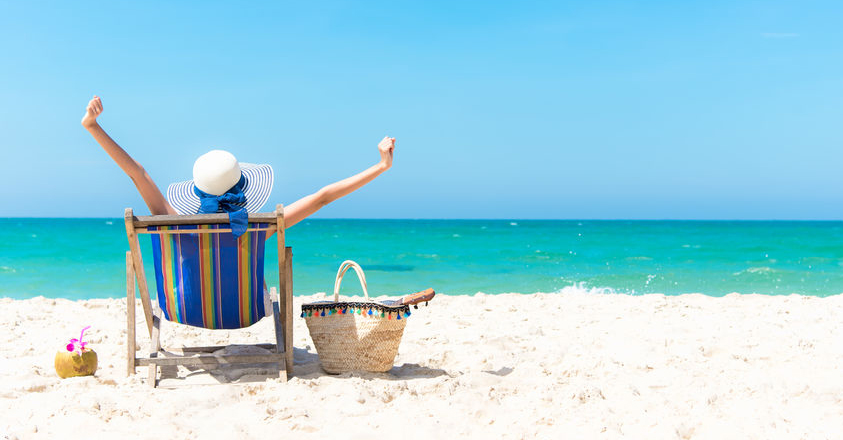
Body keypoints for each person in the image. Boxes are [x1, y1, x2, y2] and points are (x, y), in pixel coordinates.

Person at [81, 95, 395, 229]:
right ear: (243, 187)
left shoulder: (174, 221)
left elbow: (137, 174)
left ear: (196, 191)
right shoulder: (257, 227)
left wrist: (94, 127)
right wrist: (381, 166)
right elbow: (322, 198)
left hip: (187, 308)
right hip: (244, 310)